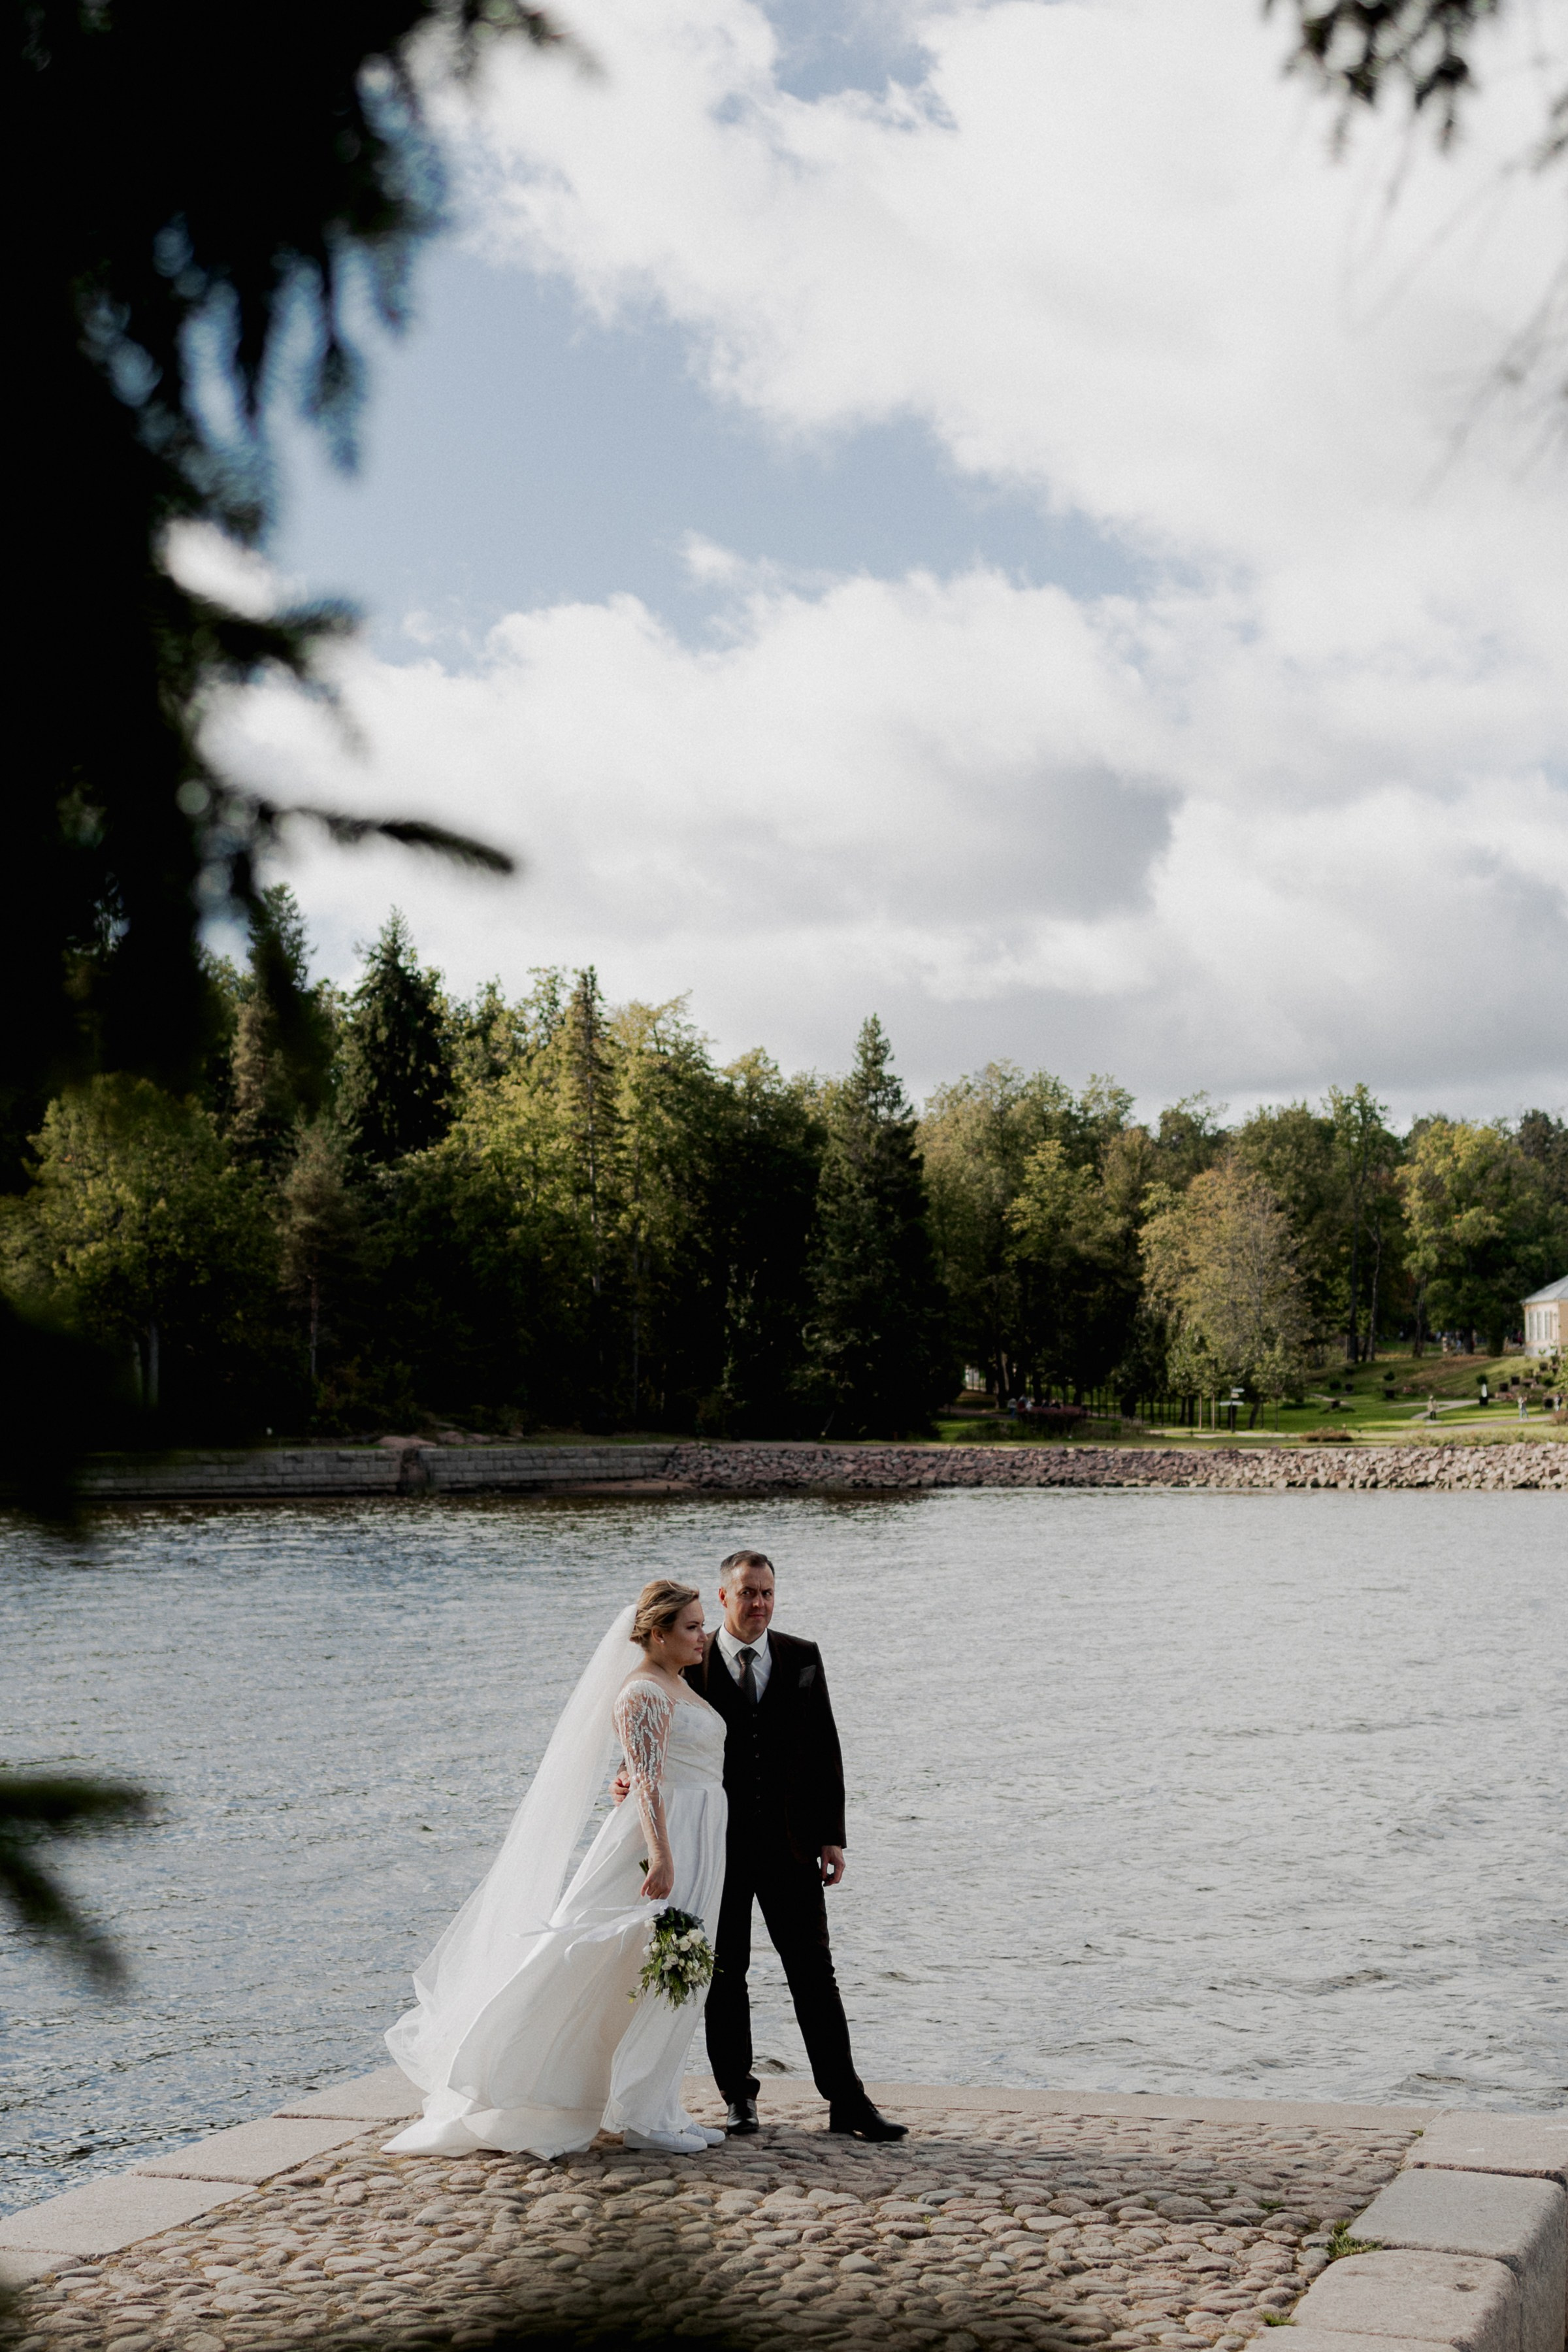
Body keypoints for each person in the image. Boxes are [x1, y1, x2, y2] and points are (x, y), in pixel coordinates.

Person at [382, 1580, 728, 2159]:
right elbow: (643, 1778)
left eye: (701, 1623)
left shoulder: (678, 1683)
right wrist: (663, 1856)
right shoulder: (641, 1691)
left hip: (703, 1831)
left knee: (683, 1973)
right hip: (662, 1841)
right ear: (658, 1633)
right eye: (692, 1627)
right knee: (650, 1965)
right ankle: (633, 2112)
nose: (703, 1635)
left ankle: (659, 2104)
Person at [688, 1548, 906, 2142]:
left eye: (767, 1592)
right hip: (718, 1850)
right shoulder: (691, 1658)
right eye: (748, 1593)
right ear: (723, 1597)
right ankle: (739, 2098)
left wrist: (832, 1836)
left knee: (815, 1972)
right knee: (725, 1974)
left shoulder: (803, 1656)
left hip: (792, 1846)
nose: (759, 1603)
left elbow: (823, 1749)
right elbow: (658, 1731)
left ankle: (847, 2100)